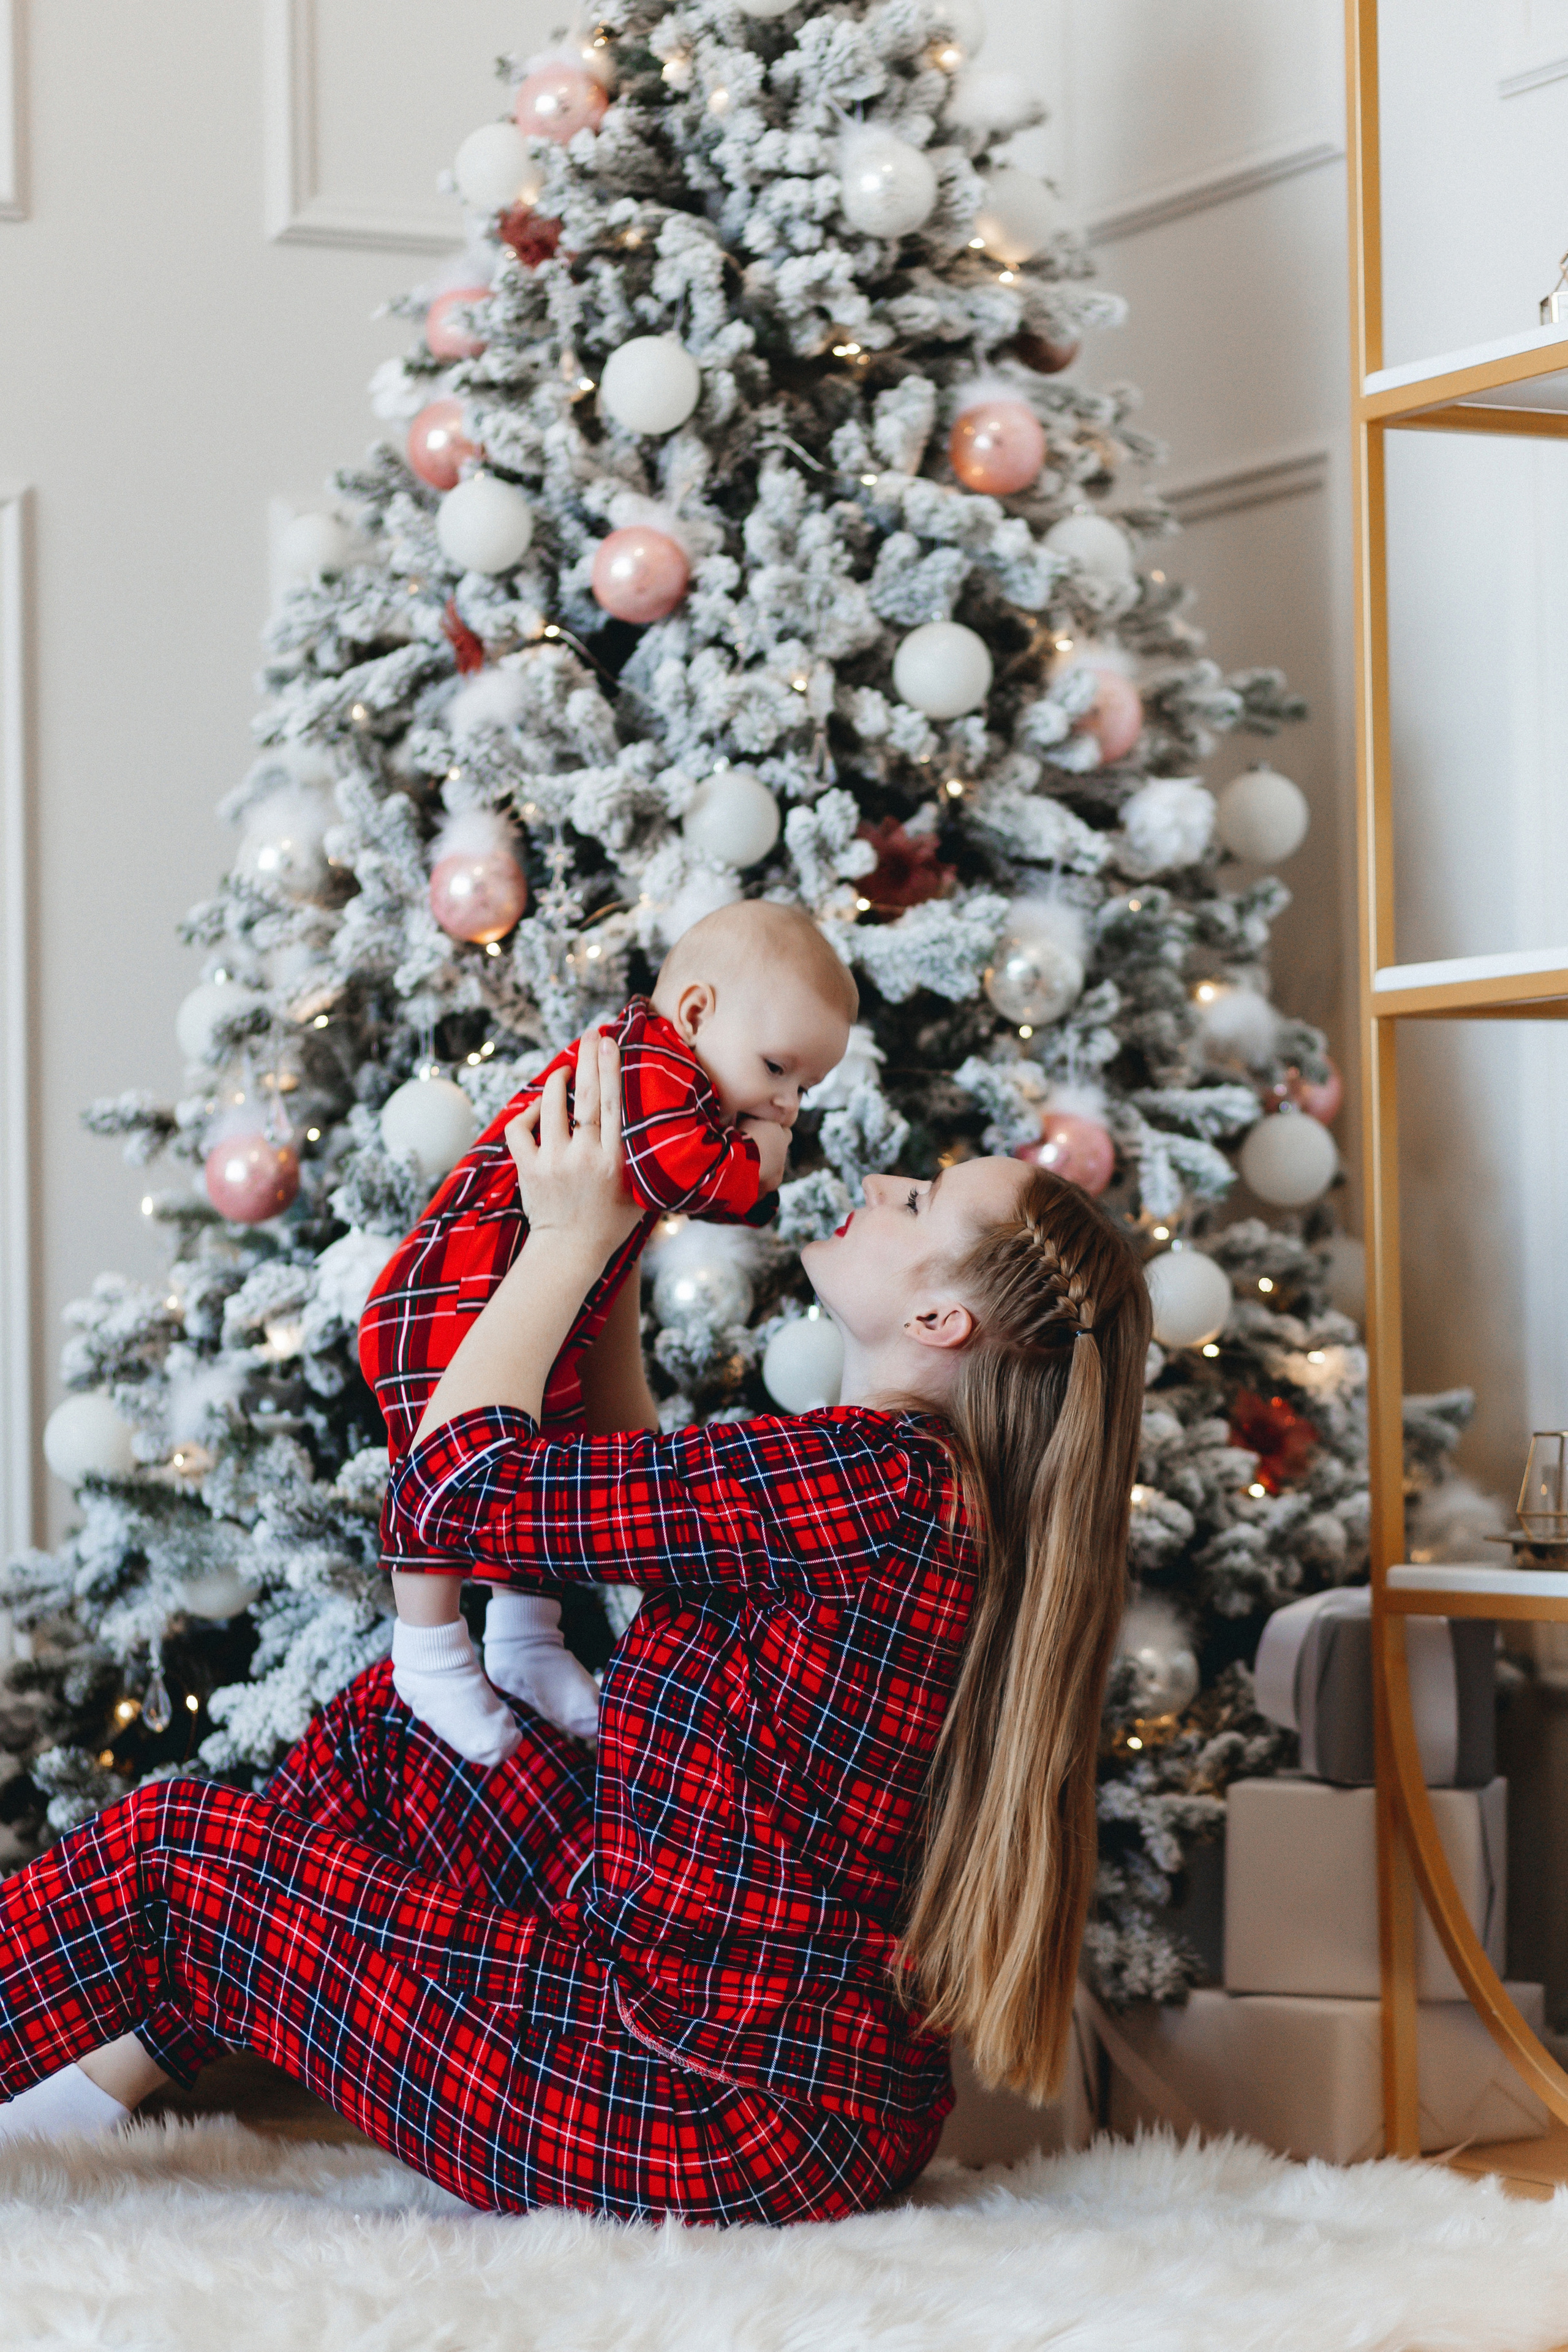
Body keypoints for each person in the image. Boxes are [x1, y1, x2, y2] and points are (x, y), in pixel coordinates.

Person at [0, 1031, 1150, 2225]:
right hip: (759, 2064)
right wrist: (619, 1243)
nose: (879, 1185)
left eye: (919, 1202)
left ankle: (62, 2084)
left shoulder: (869, 1484)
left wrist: (563, 1243)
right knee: (395, 1730)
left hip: (701, 2104)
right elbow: (612, 1483)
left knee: (178, 1856)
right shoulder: (908, 1490)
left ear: (941, 1318)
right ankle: (76, 2099)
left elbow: (456, 1493)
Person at [364, 897, 856, 1762]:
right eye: (777, 1068)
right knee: (443, 1464)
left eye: (803, 1089)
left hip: (523, 1299)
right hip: (447, 1299)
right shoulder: (648, 1064)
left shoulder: (687, 1077)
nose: (784, 1103)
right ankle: (428, 1649)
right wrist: (759, 1169)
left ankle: (523, 1637)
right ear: (697, 1012)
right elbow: (670, 1168)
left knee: (540, 1456)